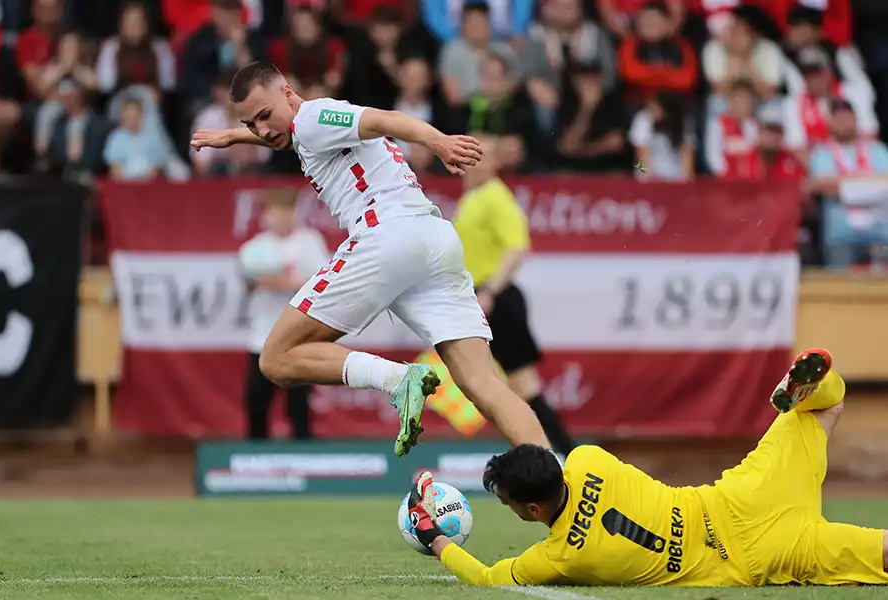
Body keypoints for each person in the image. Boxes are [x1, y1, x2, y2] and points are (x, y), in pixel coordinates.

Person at [191, 61, 549, 457]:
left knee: (276, 358)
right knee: (484, 384)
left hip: (387, 235)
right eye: (252, 123)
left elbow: (383, 119)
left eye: (264, 116)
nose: (262, 129)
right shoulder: (301, 128)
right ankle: (559, 483)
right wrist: (234, 135)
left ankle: (398, 379)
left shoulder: (313, 116)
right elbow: (283, 134)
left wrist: (438, 142)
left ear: (288, 92)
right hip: (433, 238)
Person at [405, 348, 888, 588]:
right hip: (739, 497)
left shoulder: (561, 558)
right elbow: (544, 457)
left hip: (754, 558)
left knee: (877, 553)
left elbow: (488, 579)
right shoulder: (588, 459)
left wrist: (437, 537)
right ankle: (802, 388)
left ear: (532, 510)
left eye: (509, 503)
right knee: (825, 410)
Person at [451, 133, 577, 459]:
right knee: (484, 382)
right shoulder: (473, 197)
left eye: (480, 158)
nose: (472, 165)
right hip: (476, 297)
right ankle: (540, 454)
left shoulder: (495, 197)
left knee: (523, 386)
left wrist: (491, 290)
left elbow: (517, 248)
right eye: (469, 157)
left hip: (496, 300)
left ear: (493, 162)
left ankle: (562, 455)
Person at [238, 190, 330, 440]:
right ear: (267, 215)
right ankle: (255, 454)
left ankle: (302, 457)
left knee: (298, 404)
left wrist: (285, 283)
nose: (282, 218)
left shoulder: (309, 242)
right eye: (276, 212)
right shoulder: (256, 248)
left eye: (287, 212)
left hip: (298, 338)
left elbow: (325, 282)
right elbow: (246, 282)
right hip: (263, 336)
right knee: (256, 402)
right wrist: (257, 282)